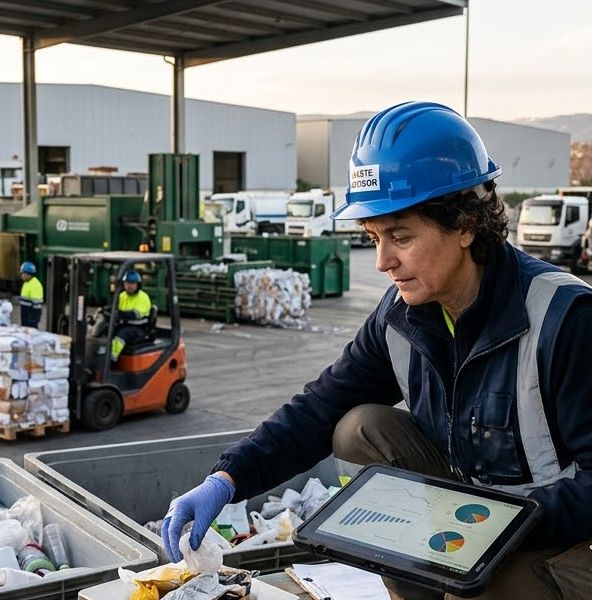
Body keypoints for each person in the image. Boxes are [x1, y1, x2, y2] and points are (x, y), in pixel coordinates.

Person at [161, 101, 592, 600]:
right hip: (478, 517)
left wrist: (497, 528)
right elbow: (321, 406)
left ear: (466, 225)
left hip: (564, 539)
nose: (383, 261)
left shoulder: (565, 319)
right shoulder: (403, 314)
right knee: (359, 425)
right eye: (374, 237)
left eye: (400, 237)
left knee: (482, 592)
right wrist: (228, 478)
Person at [111, 270, 152, 362]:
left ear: (138, 285)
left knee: (122, 335)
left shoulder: (143, 297)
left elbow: (135, 314)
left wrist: (119, 314)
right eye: (127, 283)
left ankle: (111, 360)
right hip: (124, 324)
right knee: (106, 330)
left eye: (132, 283)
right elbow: (115, 308)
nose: (129, 286)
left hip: (138, 329)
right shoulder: (122, 295)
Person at [19, 261, 43, 329]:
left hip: (31, 319)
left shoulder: (36, 285)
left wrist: (33, 321)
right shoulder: (26, 283)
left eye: (23, 273)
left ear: (28, 274)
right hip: (25, 316)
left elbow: (37, 306)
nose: (21, 275)